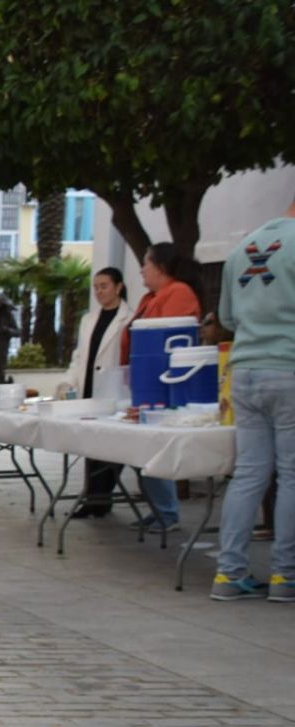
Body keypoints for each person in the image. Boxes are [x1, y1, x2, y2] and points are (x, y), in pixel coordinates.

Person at [210, 195, 295, 601]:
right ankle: (285, 575)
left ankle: (229, 574)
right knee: (292, 475)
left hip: (243, 371)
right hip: (289, 367)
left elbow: (226, 319)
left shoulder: (243, 248)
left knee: (249, 474)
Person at [123, 242, 202, 532]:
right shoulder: (151, 297)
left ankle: (167, 511)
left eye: (146, 263)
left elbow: (168, 340)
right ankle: (159, 508)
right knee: (139, 448)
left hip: (162, 385)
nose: (142, 269)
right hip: (144, 382)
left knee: (152, 445)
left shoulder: (178, 293)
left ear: (161, 267)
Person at [63, 268, 135, 518]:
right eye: (95, 287)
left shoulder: (129, 319)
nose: (99, 291)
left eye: (104, 286)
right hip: (89, 387)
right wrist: (69, 381)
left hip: (113, 388)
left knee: (110, 446)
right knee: (91, 446)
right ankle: (92, 497)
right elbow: (80, 354)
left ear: (118, 287)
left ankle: (102, 497)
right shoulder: (89, 319)